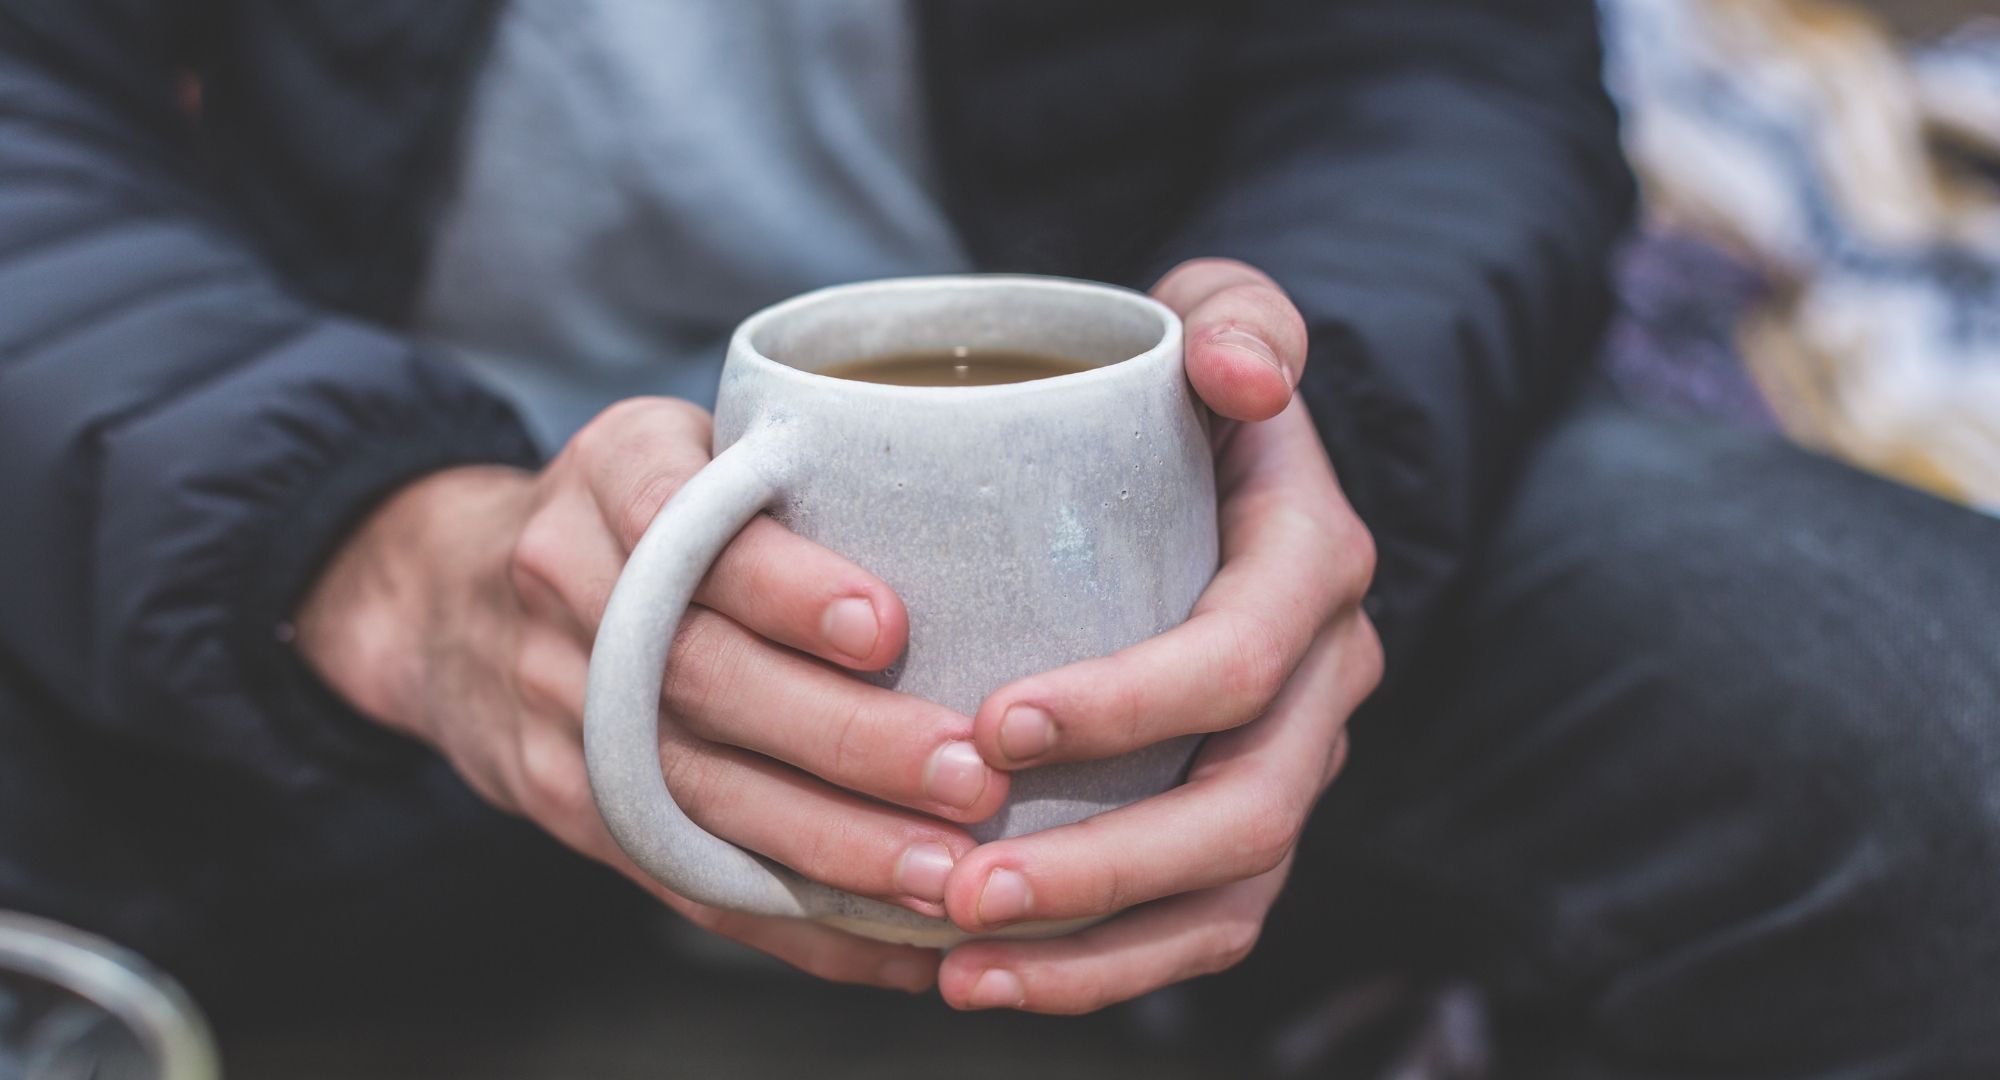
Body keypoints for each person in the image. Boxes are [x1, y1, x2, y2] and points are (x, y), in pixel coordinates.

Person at [0, 2, 1992, 1076]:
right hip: (292, 536)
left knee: (1927, 742)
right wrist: (371, 551)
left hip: (1202, 529)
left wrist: (1325, 424)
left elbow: (1435, 69)